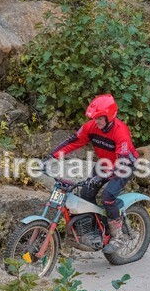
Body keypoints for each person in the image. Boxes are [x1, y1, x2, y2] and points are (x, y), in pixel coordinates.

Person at [47, 94, 139, 254]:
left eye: (99, 119)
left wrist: (102, 176)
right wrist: (51, 157)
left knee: (108, 197)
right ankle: (98, 229)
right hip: (105, 163)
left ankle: (118, 236)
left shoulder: (121, 132)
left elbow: (122, 162)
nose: (95, 122)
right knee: (86, 193)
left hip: (125, 165)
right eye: (95, 118)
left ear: (109, 117)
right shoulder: (91, 127)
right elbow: (74, 141)